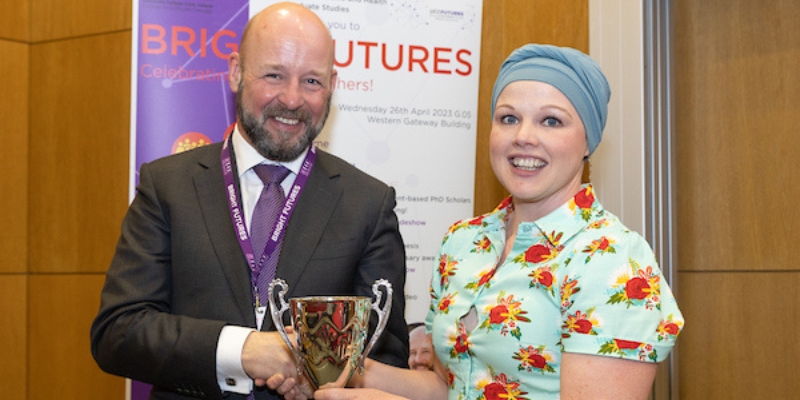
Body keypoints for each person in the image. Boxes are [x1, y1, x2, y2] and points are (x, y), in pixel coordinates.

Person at [311, 44, 684, 400]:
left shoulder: (613, 261)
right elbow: (451, 388)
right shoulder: (463, 241)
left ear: (589, 141)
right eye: (508, 118)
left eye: (551, 121)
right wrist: (331, 365)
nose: (523, 137)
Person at [90, 3, 409, 400]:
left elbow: (388, 359)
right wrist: (244, 350)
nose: (292, 100)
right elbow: (118, 332)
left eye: (312, 81)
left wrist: (322, 377)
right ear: (236, 71)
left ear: (332, 84)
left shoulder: (368, 203)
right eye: (274, 75)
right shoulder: (167, 186)